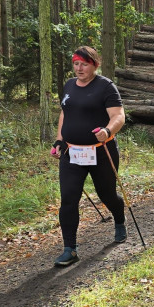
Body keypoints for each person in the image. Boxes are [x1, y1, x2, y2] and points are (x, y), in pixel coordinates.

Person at [51, 46, 127, 266]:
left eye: (84, 64)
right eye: (76, 63)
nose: (79, 68)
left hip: (101, 151)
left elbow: (118, 115)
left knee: (107, 195)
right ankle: (70, 249)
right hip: (72, 153)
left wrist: (108, 131)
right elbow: (65, 113)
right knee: (68, 198)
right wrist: (59, 140)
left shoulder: (106, 87)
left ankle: (119, 220)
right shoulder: (68, 86)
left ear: (95, 64)